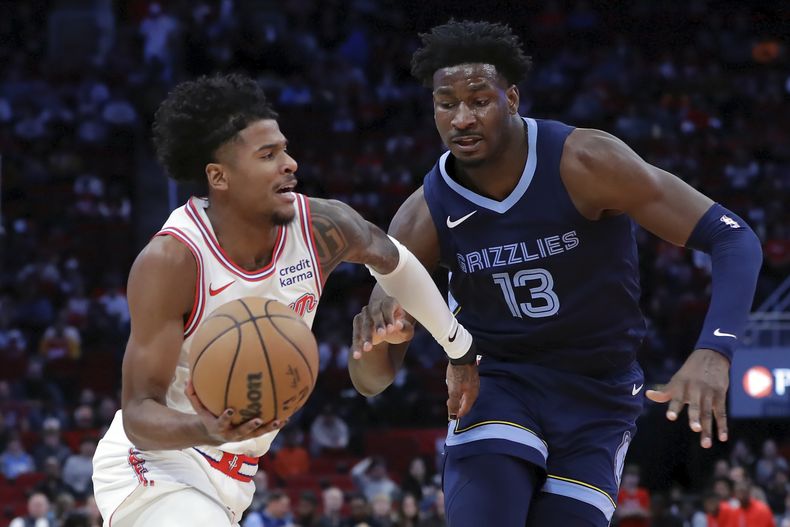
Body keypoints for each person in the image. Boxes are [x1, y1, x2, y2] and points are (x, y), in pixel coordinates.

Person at [348, 20, 763, 527]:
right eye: (446, 103)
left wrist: (715, 350)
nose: (462, 118)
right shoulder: (423, 216)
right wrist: (376, 341)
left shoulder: (585, 162)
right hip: (498, 381)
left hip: (599, 395)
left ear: (512, 98)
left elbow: (733, 237)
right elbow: (371, 381)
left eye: (479, 100)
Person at [91, 73, 474, 527]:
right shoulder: (173, 260)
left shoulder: (322, 227)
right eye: (268, 155)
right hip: (155, 465)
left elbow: (399, 264)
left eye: (285, 150)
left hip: (236, 479)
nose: (290, 163)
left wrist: (460, 350)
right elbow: (138, 414)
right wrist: (204, 427)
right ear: (219, 176)